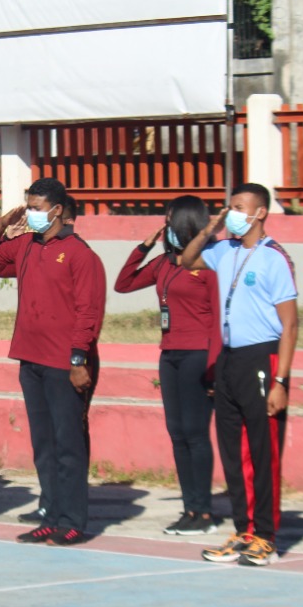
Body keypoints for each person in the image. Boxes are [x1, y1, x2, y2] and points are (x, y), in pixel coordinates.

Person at [0, 177, 107, 546]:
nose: (31, 213)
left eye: (37, 208)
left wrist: (79, 359)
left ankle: (72, 520)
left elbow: (89, 311)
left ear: (57, 211)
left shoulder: (80, 255)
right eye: (29, 206)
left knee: (68, 444)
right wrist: (3, 224)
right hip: (30, 358)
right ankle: (51, 514)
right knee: (44, 445)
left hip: (65, 363)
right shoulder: (26, 245)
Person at [180, 183, 298, 567]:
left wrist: (281, 381)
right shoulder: (224, 250)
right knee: (232, 451)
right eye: (229, 206)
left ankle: (265, 535)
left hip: (263, 358)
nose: (231, 212)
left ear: (260, 212)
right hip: (230, 358)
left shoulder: (274, 257)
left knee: (263, 451)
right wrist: (209, 229)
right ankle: (243, 530)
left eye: (239, 207)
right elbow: (186, 259)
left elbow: (290, 324)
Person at [114, 196, 222, 535]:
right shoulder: (163, 262)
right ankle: (189, 508)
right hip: (170, 354)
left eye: (170, 221)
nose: (166, 227)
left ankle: (204, 512)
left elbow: (217, 321)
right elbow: (124, 283)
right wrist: (143, 247)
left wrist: (214, 368)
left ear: (186, 224)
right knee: (177, 433)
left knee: (195, 433)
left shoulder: (208, 263)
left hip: (198, 354)